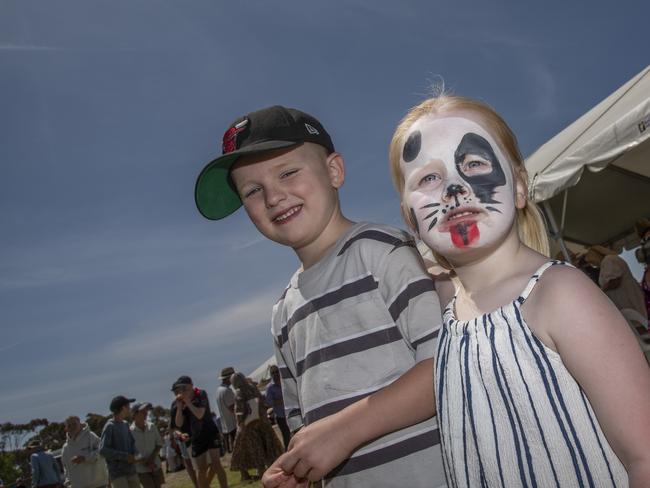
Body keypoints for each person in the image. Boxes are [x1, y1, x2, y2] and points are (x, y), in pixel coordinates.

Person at [265, 94, 650, 487]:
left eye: (474, 164)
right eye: (428, 178)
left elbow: (644, 456)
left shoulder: (559, 295)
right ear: (409, 217)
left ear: (519, 187)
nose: (453, 188)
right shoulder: (445, 304)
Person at [194, 105, 445, 487]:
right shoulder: (283, 313)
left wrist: (344, 433)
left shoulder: (380, 250)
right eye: (253, 191)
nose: (274, 196)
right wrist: (302, 468)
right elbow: (304, 424)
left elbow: (443, 370)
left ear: (334, 171)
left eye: (288, 173)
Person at [169, 376, 228, 488]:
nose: (182, 390)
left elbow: (200, 414)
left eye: (184, 387)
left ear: (191, 385)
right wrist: (180, 408)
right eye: (180, 388)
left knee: (216, 464)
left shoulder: (200, 394)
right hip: (195, 437)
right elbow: (178, 424)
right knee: (200, 469)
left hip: (209, 432)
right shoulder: (178, 402)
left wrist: (188, 402)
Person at [229, 373, 283, 481]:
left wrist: (240, 423)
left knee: (256, 451)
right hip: (263, 421)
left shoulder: (239, 392)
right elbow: (262, 401)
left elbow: (240, 411)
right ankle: (274, 471)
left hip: (250, 426)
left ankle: (259, 474)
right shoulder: (253, 387)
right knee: (268, 448)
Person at [99, 396, 139, 488]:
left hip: (131, 471)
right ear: (123, 408)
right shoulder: (109, 426)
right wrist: (125, 456)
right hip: (118, 475)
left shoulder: (125, 424)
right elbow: (103, 450)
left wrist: (136, 455)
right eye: (128, 405)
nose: (130, 407)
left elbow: (132, 443)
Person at [61, 416, 108, 488]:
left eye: (74, 424)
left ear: (80, 424)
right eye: (69, 425)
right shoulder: (65, 448)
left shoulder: (90, 436)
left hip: (99, 484)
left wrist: (85, 458)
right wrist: (68, 483)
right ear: (66, 429)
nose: (72, 427)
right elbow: (66, 469)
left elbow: (102, 451)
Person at [130, 402, 164, 488]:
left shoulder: (152, 426)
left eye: (146, 411)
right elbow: (130, 451)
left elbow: (159, 443)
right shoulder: (129, 432)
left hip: (155, 464)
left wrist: (152, 457)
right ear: (135, 414)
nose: (146, 413)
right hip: (141, 469)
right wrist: (141, 460)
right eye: (142, 411)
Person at [265, 365, 290, 450]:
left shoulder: (285, 381)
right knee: (286, 436)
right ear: (271, 375)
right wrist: (280, 401)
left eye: (276, 372)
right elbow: (268, 402)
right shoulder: (270, 388)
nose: (275, 374)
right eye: (273, 373)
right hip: (280, 416)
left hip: (290, 412)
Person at [214, 367, 237, 453]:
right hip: (233, 424)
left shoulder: (218, 390)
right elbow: (232, 408)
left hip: (226, 425)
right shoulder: (227, 391)